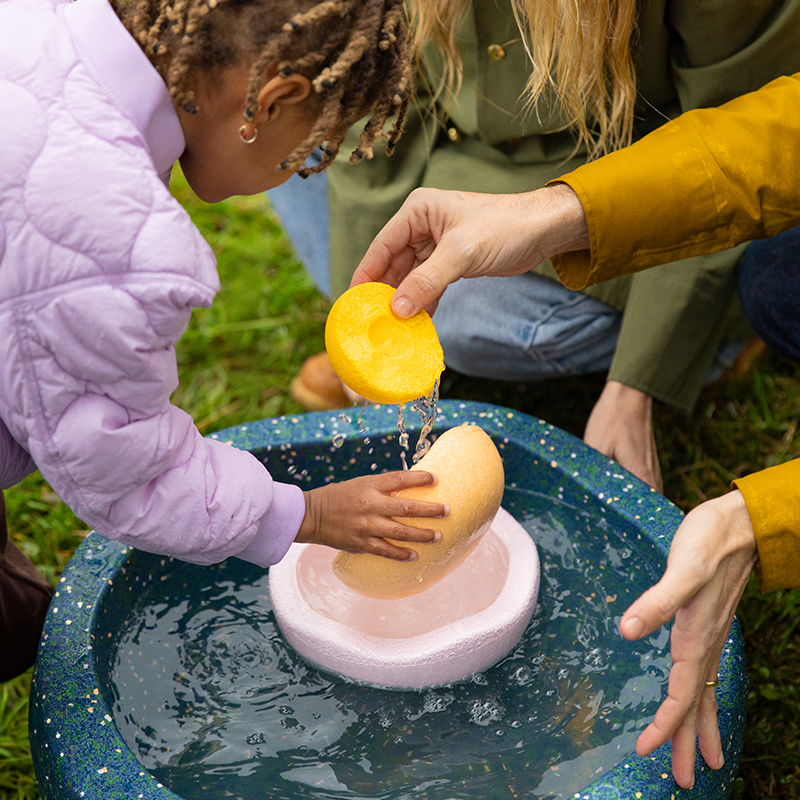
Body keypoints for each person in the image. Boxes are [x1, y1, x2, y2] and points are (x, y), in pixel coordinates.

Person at [349, 70, 800, 790]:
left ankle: (714, 338)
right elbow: (777, 130)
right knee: (780, 280)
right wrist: (554, 215)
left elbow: (719, 94)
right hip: (514, 173)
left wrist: (758, 522)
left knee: (771, 287)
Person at [0, 0, 453, 683]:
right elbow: (128, 473)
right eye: (316, 147)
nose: (310, 166)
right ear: (273, 99)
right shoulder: (112, 241)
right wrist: (306, 512)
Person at [276, 0, 800, 494]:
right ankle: (422, 347)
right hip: (445, 157)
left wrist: (637, 385)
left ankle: (715, 336)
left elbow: (738, 157)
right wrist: (364, 325)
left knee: (471, 324)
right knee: (282, 137)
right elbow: (378, 96)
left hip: (623, 182)